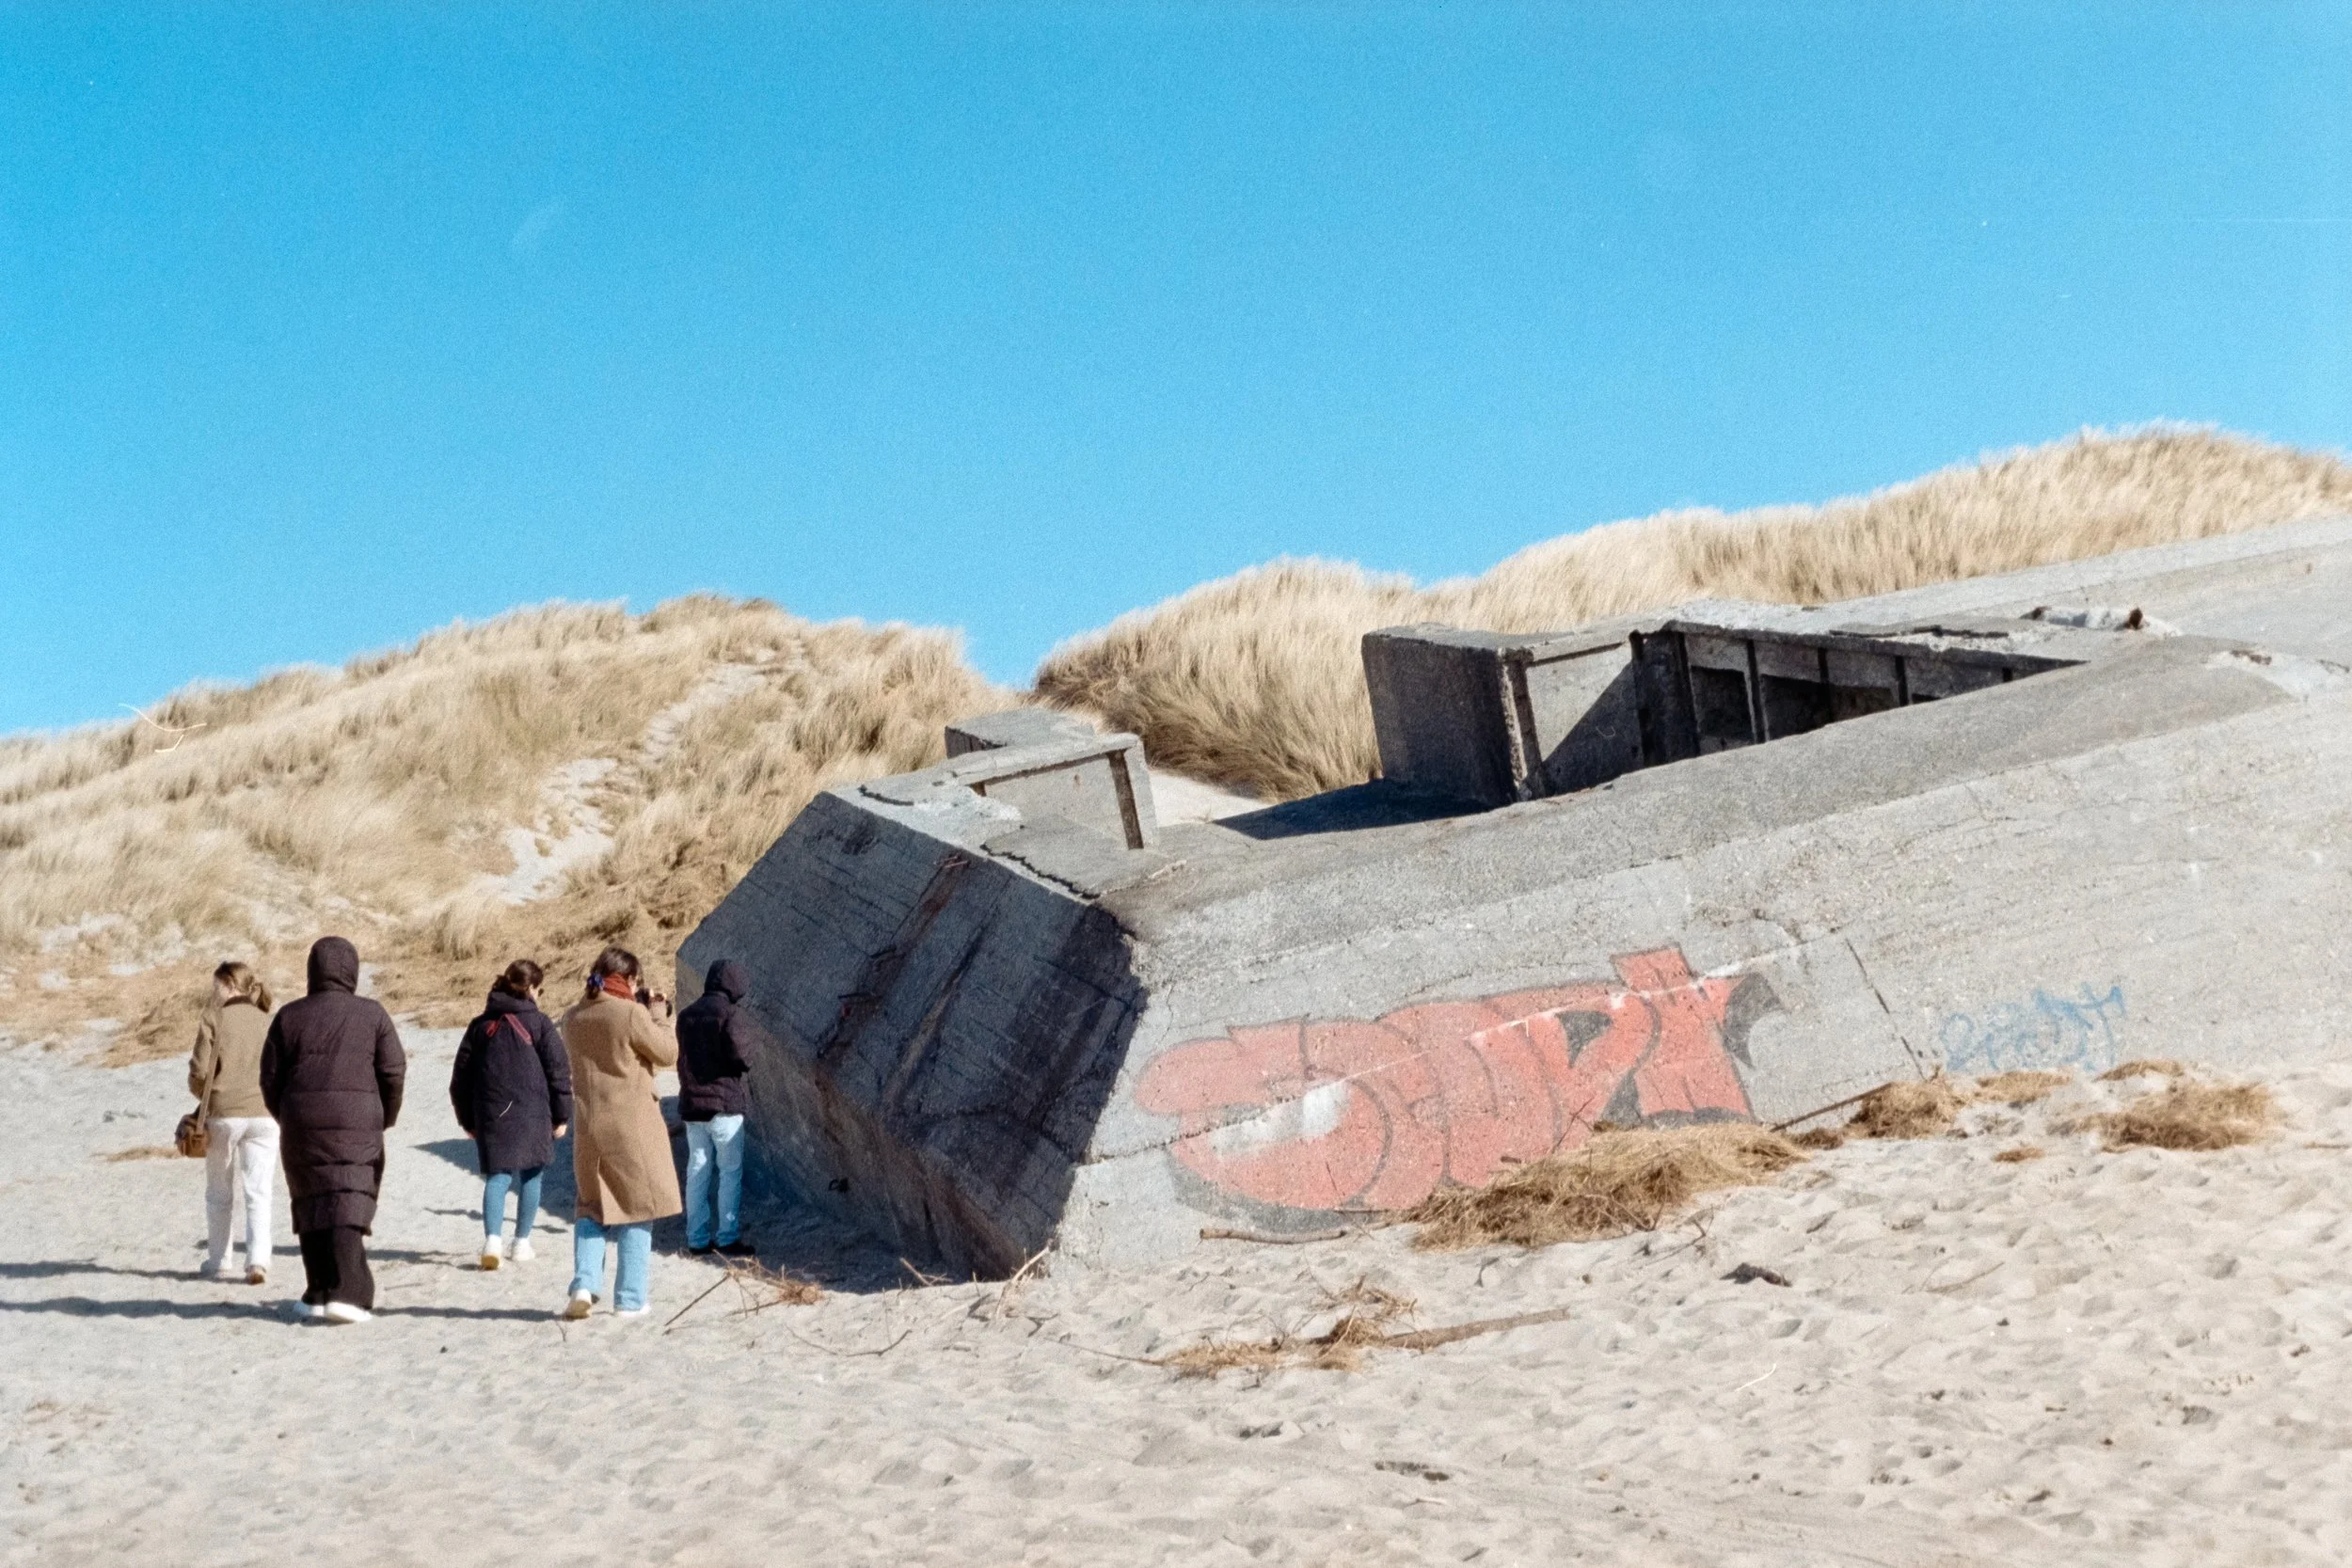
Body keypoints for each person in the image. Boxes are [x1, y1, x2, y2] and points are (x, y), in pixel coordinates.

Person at [261, 936, 406, 1325]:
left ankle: (318, 1290)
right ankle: (347, 1294)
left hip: (301, 1120)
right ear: (352, 972)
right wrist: (384, 1116)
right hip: (358, 1118)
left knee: (312, 1197)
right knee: (346, 1195)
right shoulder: (372, 1014)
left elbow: (269, 1078)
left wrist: (287, 1115)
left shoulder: (289, 1017)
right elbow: (393, 1071)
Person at [559, 946, 679, 1319]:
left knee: (591, 1208)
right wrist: (657, 1014)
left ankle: (584, 1283)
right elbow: (667, 1053)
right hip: (630, 1126)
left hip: (589, 1127)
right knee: (637, 1207)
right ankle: (629, 1298)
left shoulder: (571, 1017)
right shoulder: (629, 1014)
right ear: (628, 979)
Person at [449, 958, 573, 1272]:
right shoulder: (540, 1023)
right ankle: (521, 1243)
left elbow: (460, 1078)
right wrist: (562, 1116)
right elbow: (558, 1072)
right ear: (532, 988)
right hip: (533, 1110)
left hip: (492, 1111)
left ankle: (492, 1240)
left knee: (498, 1175)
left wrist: (467, 1119)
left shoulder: (480, 1025)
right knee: (532, 1174)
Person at [186, 960, 280, 1285]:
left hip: (224, 1113)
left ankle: (219, 1260)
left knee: (219, 1192)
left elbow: (199, 1072)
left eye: (217, 987)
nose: (214, 993)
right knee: (259, 1191)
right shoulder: (268, 1021)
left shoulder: (214, 1018)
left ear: (230, 985)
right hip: (265, 1113)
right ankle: (257, 1261)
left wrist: (204, 1097)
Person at [675, 958, 761, 1258]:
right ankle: (727, 1237)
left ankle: (697, 1239)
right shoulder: (731, 1014)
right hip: (725, 1104)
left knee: (697, 1170)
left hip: (693, 1105)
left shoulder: (686, 1015)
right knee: (729, 1172)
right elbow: (743, 1058)